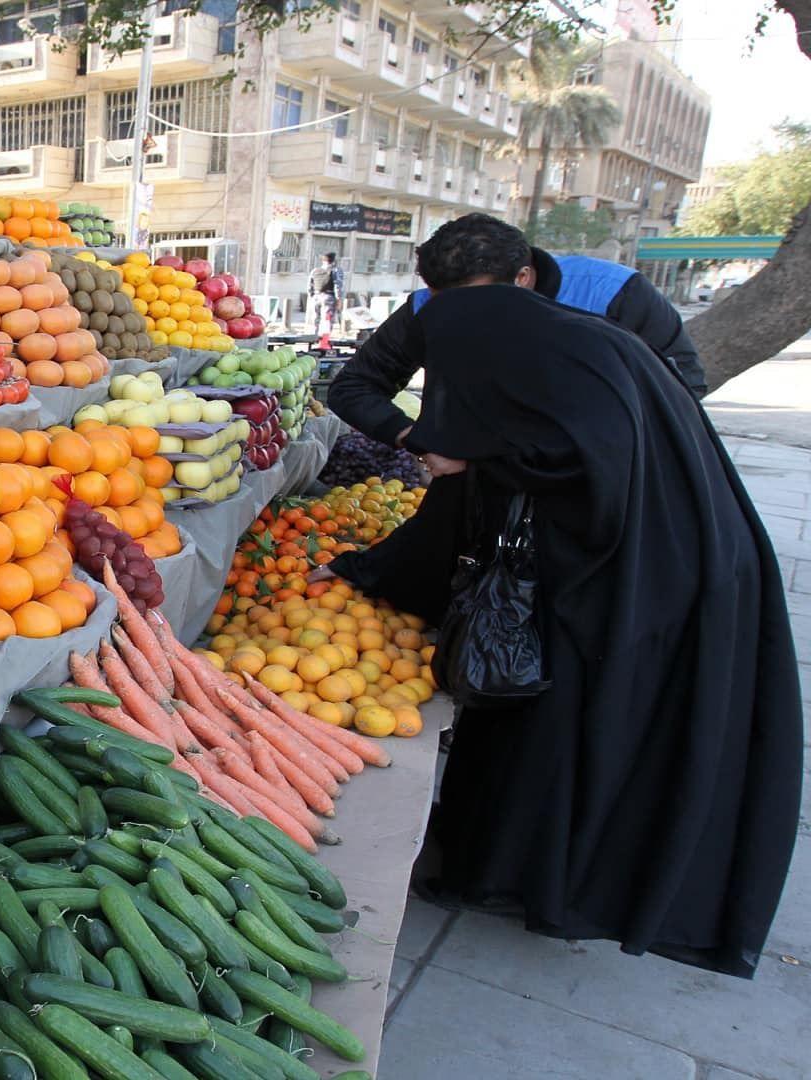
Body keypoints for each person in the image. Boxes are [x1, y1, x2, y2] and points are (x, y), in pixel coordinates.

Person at [332, 215, 801, 977]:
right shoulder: (542, 340)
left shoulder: (598, 324)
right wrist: (378, 560)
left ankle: (548, 885)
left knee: (583, 713)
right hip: (626, 549)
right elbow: (487, 472)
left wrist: (456, 473)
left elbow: (554, 471)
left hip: (656, 565)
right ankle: (502, 869)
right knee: (547, 707)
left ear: (520, 281)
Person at [326, 218, 709, 620]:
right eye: (444, 304)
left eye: (468, 304)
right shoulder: (427, 308)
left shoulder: (612, 296)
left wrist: (507, 455)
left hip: (601, 505)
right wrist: (416, 437)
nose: (455, 318)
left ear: (522, 278)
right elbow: (353, 387)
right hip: (486, 512)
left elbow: (679, 394)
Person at [307, 252, 342, 344]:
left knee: (316, 318)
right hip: (328, 297)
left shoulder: (315, 270)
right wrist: (339, 299)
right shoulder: (335, 271)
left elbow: (309, 286)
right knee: (327, 319)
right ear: (333, 260)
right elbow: (337, 285)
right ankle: (324, 341)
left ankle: (314, 337)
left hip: (316, 297)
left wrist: (312, 296)